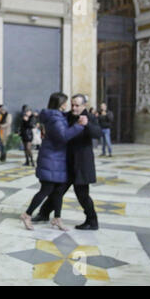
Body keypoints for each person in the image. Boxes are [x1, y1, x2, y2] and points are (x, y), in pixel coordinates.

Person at [33, 94, 103, 230]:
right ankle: (44, 213)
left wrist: (87, 124)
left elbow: (98, 133)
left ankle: (92, 221)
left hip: (82, 163)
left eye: (77, 105)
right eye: (72, 105)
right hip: (67, 162)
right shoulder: (68, 115)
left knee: (82, 195)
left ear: (84, 106)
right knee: (57, 191)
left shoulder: (90, 117)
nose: (74, 108)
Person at [20, 93, 86, 231]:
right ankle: (27, 214)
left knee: (58, 191)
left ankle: (57, 218)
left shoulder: (56, 116)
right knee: (46, 190)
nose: (67, 105)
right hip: (51, 159)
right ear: (61, 103)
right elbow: (63, 136)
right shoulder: (55, 118)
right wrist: (79, 126)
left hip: (56, 158)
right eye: (66, 102)